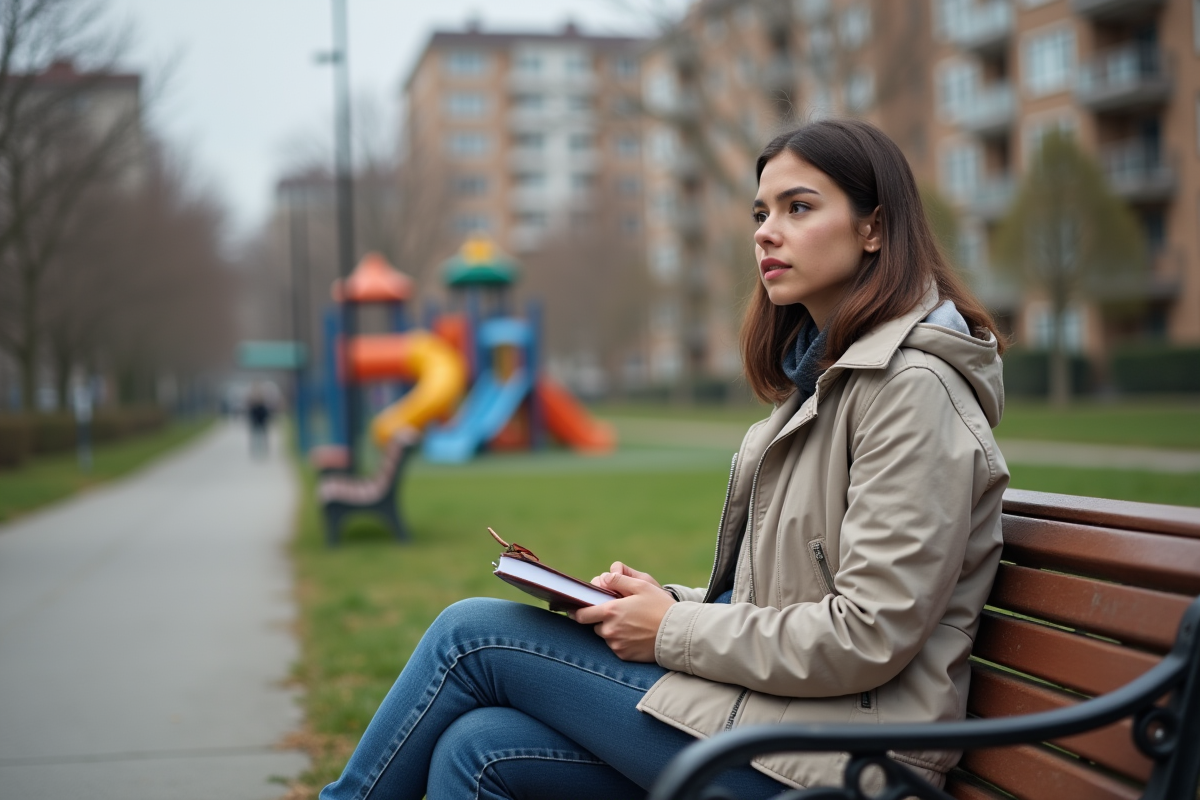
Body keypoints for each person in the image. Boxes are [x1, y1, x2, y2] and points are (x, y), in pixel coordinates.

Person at [319, 118, 1009, 799]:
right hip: (788, 727)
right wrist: (660, 603)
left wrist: (670, 630)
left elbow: (868, 632)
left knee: (468, 636)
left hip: (851, 763)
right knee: (479, 749)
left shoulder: (911, 391)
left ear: (874, 228)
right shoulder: (825, 382)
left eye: (799, 208)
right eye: (761, 213)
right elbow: (783, 600)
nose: (767, 232)